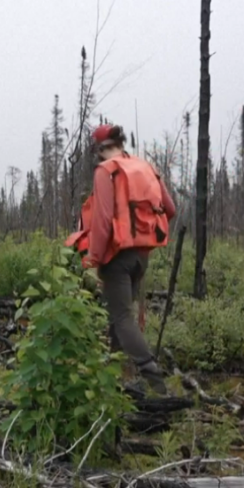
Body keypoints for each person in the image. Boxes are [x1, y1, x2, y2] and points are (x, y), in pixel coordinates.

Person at [65, 124, 177, 395]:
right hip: (140, 256)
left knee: (122, 317)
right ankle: (111, 379)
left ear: (98, 149)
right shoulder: (145, 167)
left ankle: (157, 383)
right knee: (117, 317)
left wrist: (93, 259)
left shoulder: (106, 171)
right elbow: (170, 209)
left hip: (116, 257)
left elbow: (103, 220)